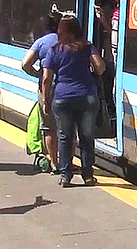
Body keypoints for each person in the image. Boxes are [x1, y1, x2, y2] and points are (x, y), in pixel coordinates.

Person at [42, 16, 106, 187]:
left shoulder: (54, 50)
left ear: (61, 30)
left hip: (62, 98)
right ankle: (88, 176)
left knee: (65, 137)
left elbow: (46, 78)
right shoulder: (87, 47)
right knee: (86, 137)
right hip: (87, 96)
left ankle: (65, 176)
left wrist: (46, 100)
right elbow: (100, 68)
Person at [21, 11, 62, 173]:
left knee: (49, 127)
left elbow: (25, 64)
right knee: (68, 129)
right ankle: (67, 163)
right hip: (68, 89)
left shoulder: (41, 42)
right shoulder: (71, 41)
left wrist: (37, 73)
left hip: (48, 89)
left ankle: (54, 163)